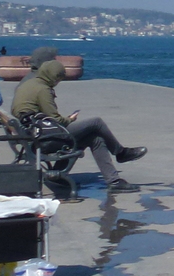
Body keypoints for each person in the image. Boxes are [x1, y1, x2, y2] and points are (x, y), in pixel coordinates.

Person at [11, 59, 147, 193]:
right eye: (58, 78)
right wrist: (70, 119)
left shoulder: (28, 84)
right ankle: (121, 153)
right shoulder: (43, 89)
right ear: (52, 77)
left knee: (95, 138)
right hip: (45, 139)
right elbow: (57, 120)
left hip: (30, 134)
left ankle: (113, 181)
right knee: (96, 122)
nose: (58, 82)